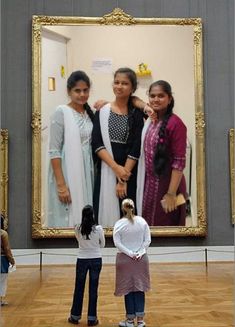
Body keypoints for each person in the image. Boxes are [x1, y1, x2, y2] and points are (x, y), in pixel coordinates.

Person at [92, 67, 144, 226]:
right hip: (107, 168)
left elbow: (136, 146)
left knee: (128, 214)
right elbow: (97, 142)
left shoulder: (136, 114)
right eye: (116, 82)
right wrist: (116, 168)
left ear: (132, 88)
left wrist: (123, 178)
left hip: (129, 172)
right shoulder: (102, 111)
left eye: (125, 83)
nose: (119, 86)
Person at [47, 71, 95, 227]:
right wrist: (61, 185)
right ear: (69, 91)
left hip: (87, 170)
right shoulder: (61, 112)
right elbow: (54, 151)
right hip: (67, 171)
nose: (82, 94)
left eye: (85, 90)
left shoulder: (89, 114)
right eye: (77, 91)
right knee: (69, 214)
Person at [137, 80, 187, 226]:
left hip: (169, 187)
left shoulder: (176, 124)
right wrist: (146, 107)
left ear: (169, 98)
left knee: (166, 230)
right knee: (148, 229)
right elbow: (133, 100)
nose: (156, 99)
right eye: (152, 96)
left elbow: (179, 163)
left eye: (161, 96)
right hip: (149, 188)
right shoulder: (152, 119)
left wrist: (171, 194)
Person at [113, 199, 151, 327]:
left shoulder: (119, 224)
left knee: (128, 289)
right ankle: (140, 320)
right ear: (133, 208)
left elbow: (117, 243)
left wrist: (130, 253)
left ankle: (129, 320)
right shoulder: (142, 221)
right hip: (141, 260)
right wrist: (139, 253)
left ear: (122, 208)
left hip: (124, 260)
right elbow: (147, 240)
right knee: (140, 288)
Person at [68, 205, 105, 326]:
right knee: (93, 289)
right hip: (96, 259)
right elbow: (103, 244)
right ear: (93, 215)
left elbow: (79, 241)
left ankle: (74, 316)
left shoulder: (77, 228)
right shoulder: (98, 229)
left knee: (79, 288)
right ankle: (92, 318)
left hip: (82, 259)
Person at [0, 214, 15, 306]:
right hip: (1, 259)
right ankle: (0, 300)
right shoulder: (3, 233)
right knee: (2, 280)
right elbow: (7, 249)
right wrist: (12, 260)